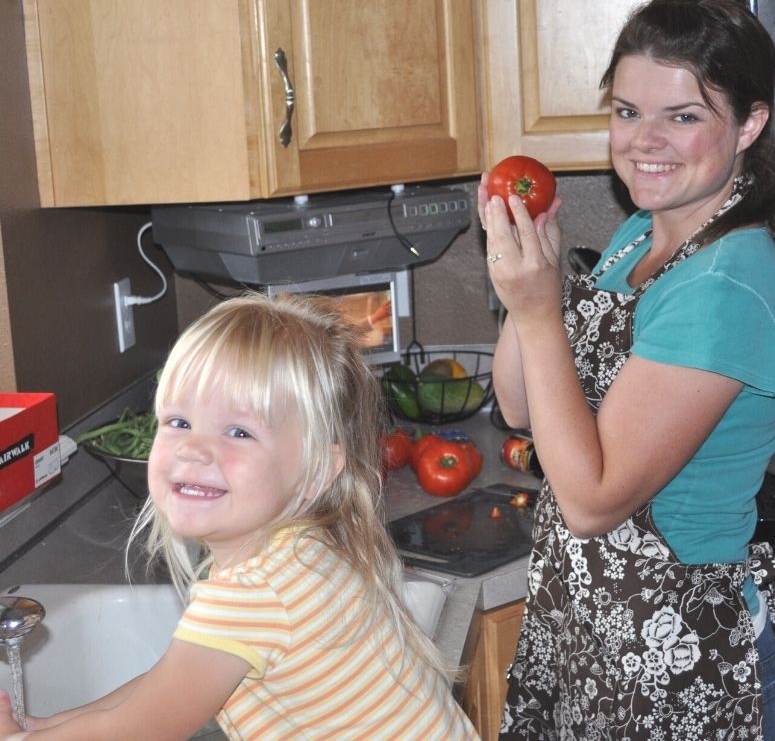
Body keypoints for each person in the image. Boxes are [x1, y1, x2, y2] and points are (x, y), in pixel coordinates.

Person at [478, 0, 775, 741]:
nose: (643, 141)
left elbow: (594, 500)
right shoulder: (640, 233)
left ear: (749, 124)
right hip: (591, 628)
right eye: (627, 111)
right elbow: (522, 406)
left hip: (677, 649)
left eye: (683, 116)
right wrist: (535, 270)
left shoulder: (724, 287)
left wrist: (537, 310)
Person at [0, 293, 479, 740]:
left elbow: (142, 727)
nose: (194, 449)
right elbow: (164, 684)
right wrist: (48, 727)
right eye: (179, 422)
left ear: (314, 472)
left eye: (238, 431)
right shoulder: (301, 550)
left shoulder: (254, 596)